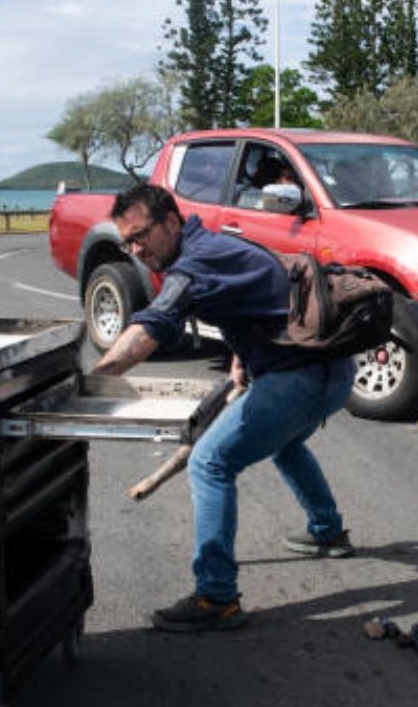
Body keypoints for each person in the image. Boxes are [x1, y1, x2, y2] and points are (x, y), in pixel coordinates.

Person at [93, 183, 356, 632]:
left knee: (209, 462)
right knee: (286, 444)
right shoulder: (218, 244)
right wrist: (243, 356)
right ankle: (327, 531)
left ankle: (216, 598)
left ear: (171, 222)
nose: (136, 249)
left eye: (141, 236)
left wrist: (91, 380)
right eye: (128, 242)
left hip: (300, 378)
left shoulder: (193, 264)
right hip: (334, 370)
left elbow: (149, 329)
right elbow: (261, 297)